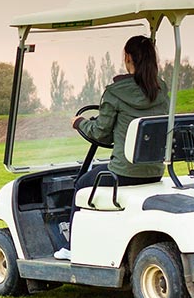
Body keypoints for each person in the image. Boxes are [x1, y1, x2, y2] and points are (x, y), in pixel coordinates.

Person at [54, 35, 170, 260]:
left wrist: (80, 123)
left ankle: (72, 246)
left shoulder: (115, 93)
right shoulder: (161, 90)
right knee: (96, 177)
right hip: (153, 172)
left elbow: (100, 132)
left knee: (82, 184)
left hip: (124, 173)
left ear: (127, 58)